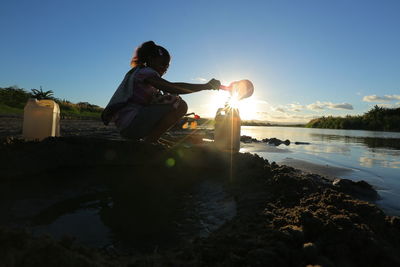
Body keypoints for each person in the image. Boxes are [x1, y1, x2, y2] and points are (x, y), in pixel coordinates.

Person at [102, 41, 221, 143]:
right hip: (131, 126)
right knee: (180, 105)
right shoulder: (145, 72)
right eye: (162, 64)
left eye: (167, 66)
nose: (165, 68)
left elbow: (168, 89)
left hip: (129, 127)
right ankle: (150, 141)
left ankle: (151, 139)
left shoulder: (142, 74)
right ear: (150, 59)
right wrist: (205, 86)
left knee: (170, 97)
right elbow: (172, 87)